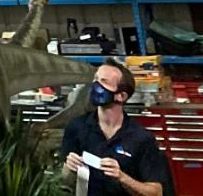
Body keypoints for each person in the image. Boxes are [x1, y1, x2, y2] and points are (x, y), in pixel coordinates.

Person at [59, 60, 169, 195]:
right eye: (95, 79)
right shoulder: (77, 127)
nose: (95, 85)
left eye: (103, 82)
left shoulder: (141, 138)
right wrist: (69, 168)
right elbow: (65, 182)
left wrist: (122, 177)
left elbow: (156, 192)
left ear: (121, 96)